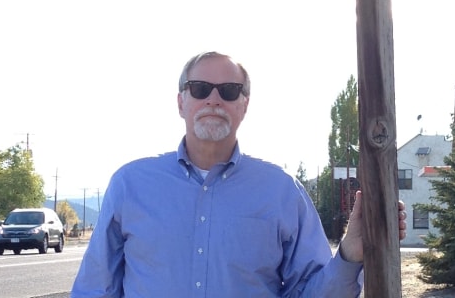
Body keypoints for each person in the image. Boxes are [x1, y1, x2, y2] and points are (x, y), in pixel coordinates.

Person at [70, 51, 406, 297]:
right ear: (181, 102)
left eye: (229, 91)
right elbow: (95, 289)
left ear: (244, 105)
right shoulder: (130, 185)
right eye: (200, 88)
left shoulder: (281, 192)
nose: (214, 99)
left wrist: (350, 253)